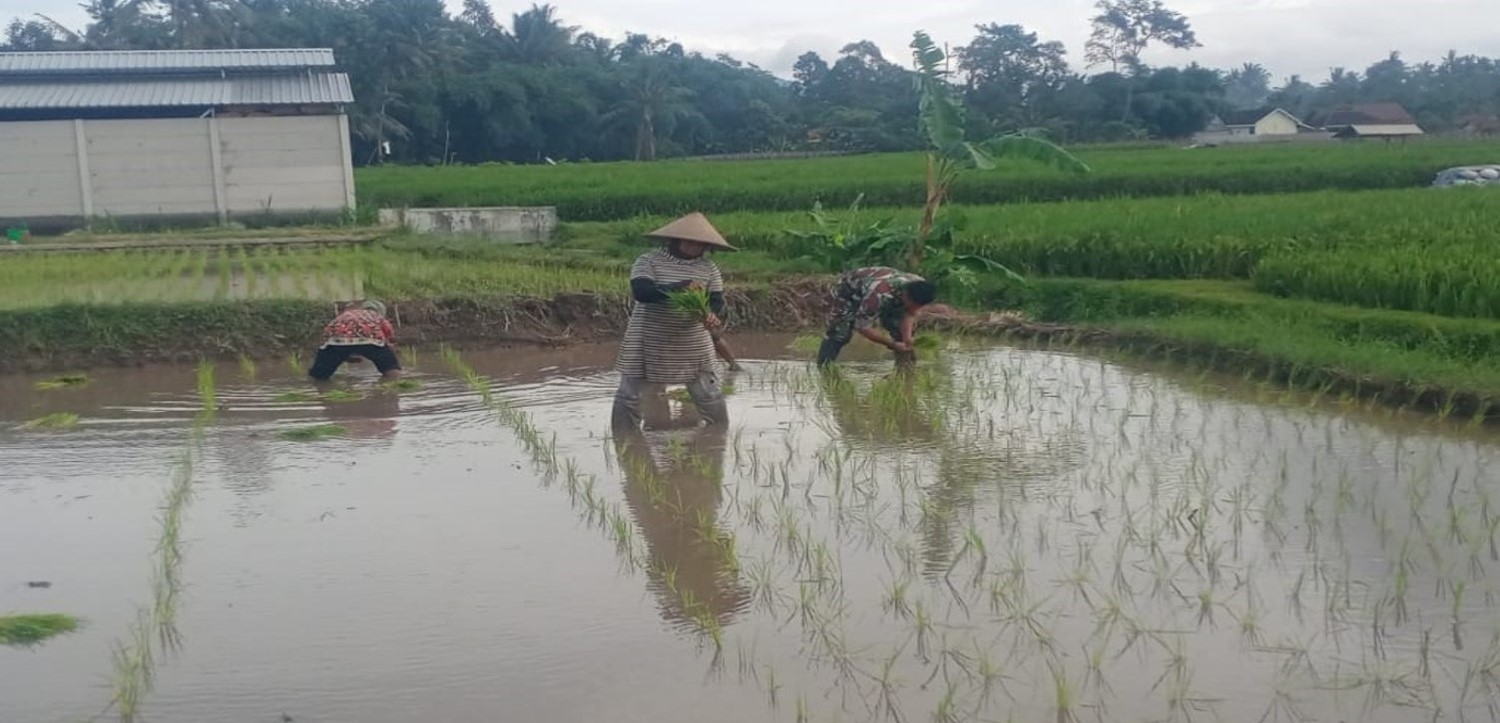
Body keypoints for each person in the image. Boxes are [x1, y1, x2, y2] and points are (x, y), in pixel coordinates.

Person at [613, 212, 735, 429]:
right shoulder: (648, 261)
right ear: (675, 240)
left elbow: (717, 300)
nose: (694, 246)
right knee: (629, 394)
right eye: (689, 241)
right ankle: (625, 442)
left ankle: (718, 439)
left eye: (700, 243)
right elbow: (642, 292)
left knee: (709, 393)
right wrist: (680, 287)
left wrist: (713, 315)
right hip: (649, 337)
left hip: (692, 339)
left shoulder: (708, 268)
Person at [816, 266, 937, 367]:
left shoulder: (918, 286)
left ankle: (905, 369)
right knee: (839, 333)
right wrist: (891, 344)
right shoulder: (878, 295)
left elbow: (910, 313)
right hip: (849, 292)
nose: (916, 310)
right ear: (906, 295)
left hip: (888, 290)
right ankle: (825, 367)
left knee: (900, 332)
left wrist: (907, 338)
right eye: (913, 305)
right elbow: (863, 327)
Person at [307, 299, 402, 381]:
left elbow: (328, 333)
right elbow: (389, 334)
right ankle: (393, 385)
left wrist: (344, 355)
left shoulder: (346, 314)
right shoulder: (377, 316)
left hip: (335, 341)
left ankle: (317, 389)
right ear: (381, 311)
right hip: (370, 339)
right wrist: (390, 353)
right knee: (392, 370)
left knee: (319, 375)